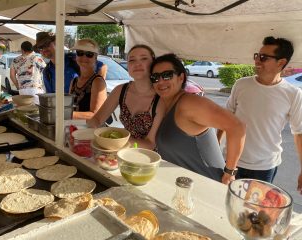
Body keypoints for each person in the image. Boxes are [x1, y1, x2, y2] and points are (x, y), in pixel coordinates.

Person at [218, 36, 302, 193]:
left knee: (252, 213)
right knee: (223, 203)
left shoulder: (293, 94)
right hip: (231, 162)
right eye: (257, 56)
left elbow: (299, 133)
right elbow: (226, 118)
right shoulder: (241, 84)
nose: (257, 60)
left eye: (263, 57)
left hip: (265, 167)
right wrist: (215, 148)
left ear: (281, 63)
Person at [151, 53, 246, 184]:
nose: (160, 81)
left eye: (167, 75)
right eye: (154, 77)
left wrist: (230, 172)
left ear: (181, 77)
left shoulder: (189, 103)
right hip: (185, 189)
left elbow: (237, 127)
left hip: (208, 187)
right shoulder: (165, 104)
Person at [87, 44, 165, 149]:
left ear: (153, 63)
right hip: (123, 152)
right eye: (132, 60)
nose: (137, 63)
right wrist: (93, 128)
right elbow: (97, 119)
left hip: (152, 158)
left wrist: (115, 139)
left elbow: (150, 144)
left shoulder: (161, 97)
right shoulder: (121, 90)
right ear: (128, 66)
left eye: (144, 58)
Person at [34, 32, 107, 93]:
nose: (44, 49)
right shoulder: (47, 72)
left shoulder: (75, 59)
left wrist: (95, 89)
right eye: (40, 47)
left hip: (83, 109)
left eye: (46, 45)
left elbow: (102, 67)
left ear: (56, 43)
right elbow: (50, 96)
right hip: (64, 109)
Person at [69, 39, 107, 120]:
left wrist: (63, 114)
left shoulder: (98, 82)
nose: (84, 57)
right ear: (76, 56)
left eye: (89, 54)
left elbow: (95, 115)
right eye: (80, 53)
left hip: (90, 131)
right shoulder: (74, 81)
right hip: (74, 128)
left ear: (95, 58)